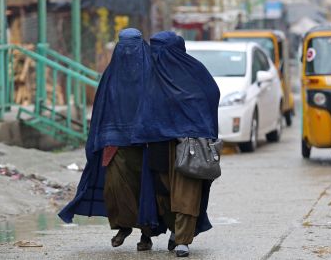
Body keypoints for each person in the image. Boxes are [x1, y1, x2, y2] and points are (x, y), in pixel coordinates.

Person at [58, 28, 166, 250]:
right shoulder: (111, 76)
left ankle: (146, 235)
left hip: (146, 143)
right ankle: (123, 226)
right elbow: (101, 111)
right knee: (115, 188)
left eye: (132, 46)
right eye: (124, 46)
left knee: (146, 191)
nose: (128, 52)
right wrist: (102, 137)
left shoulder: (153, 74)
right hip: (116, 143)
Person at [132, 31, 220, 257]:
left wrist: (192, 123)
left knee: (187, 192)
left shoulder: (194, 71)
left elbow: (210, 95)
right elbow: (143, 105)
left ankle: (183, 240)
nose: (156, 54)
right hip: (158, 141)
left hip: (189, 143)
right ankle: (174, 230)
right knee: (163, 192)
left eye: (160, 49)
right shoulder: (150, 74)